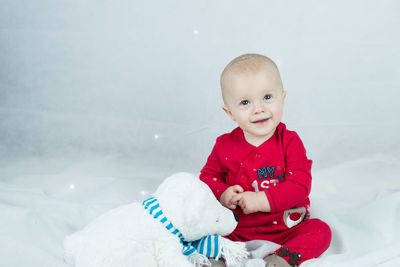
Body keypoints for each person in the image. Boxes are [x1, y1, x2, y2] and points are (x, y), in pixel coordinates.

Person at [200, 54, 332, 267]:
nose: (259, 108)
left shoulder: (289, 141)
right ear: (230, 112)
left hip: (287, 227)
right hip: (236, 229)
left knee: (320, 231)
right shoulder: (224, 145)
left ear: (283, 97)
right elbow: (207, 178)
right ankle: (220, 259)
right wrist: (223, 193)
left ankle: (282, 258)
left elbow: (300, 185)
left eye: (268, 97)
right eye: (245, 102)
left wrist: (262, 200)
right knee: (199, 235)